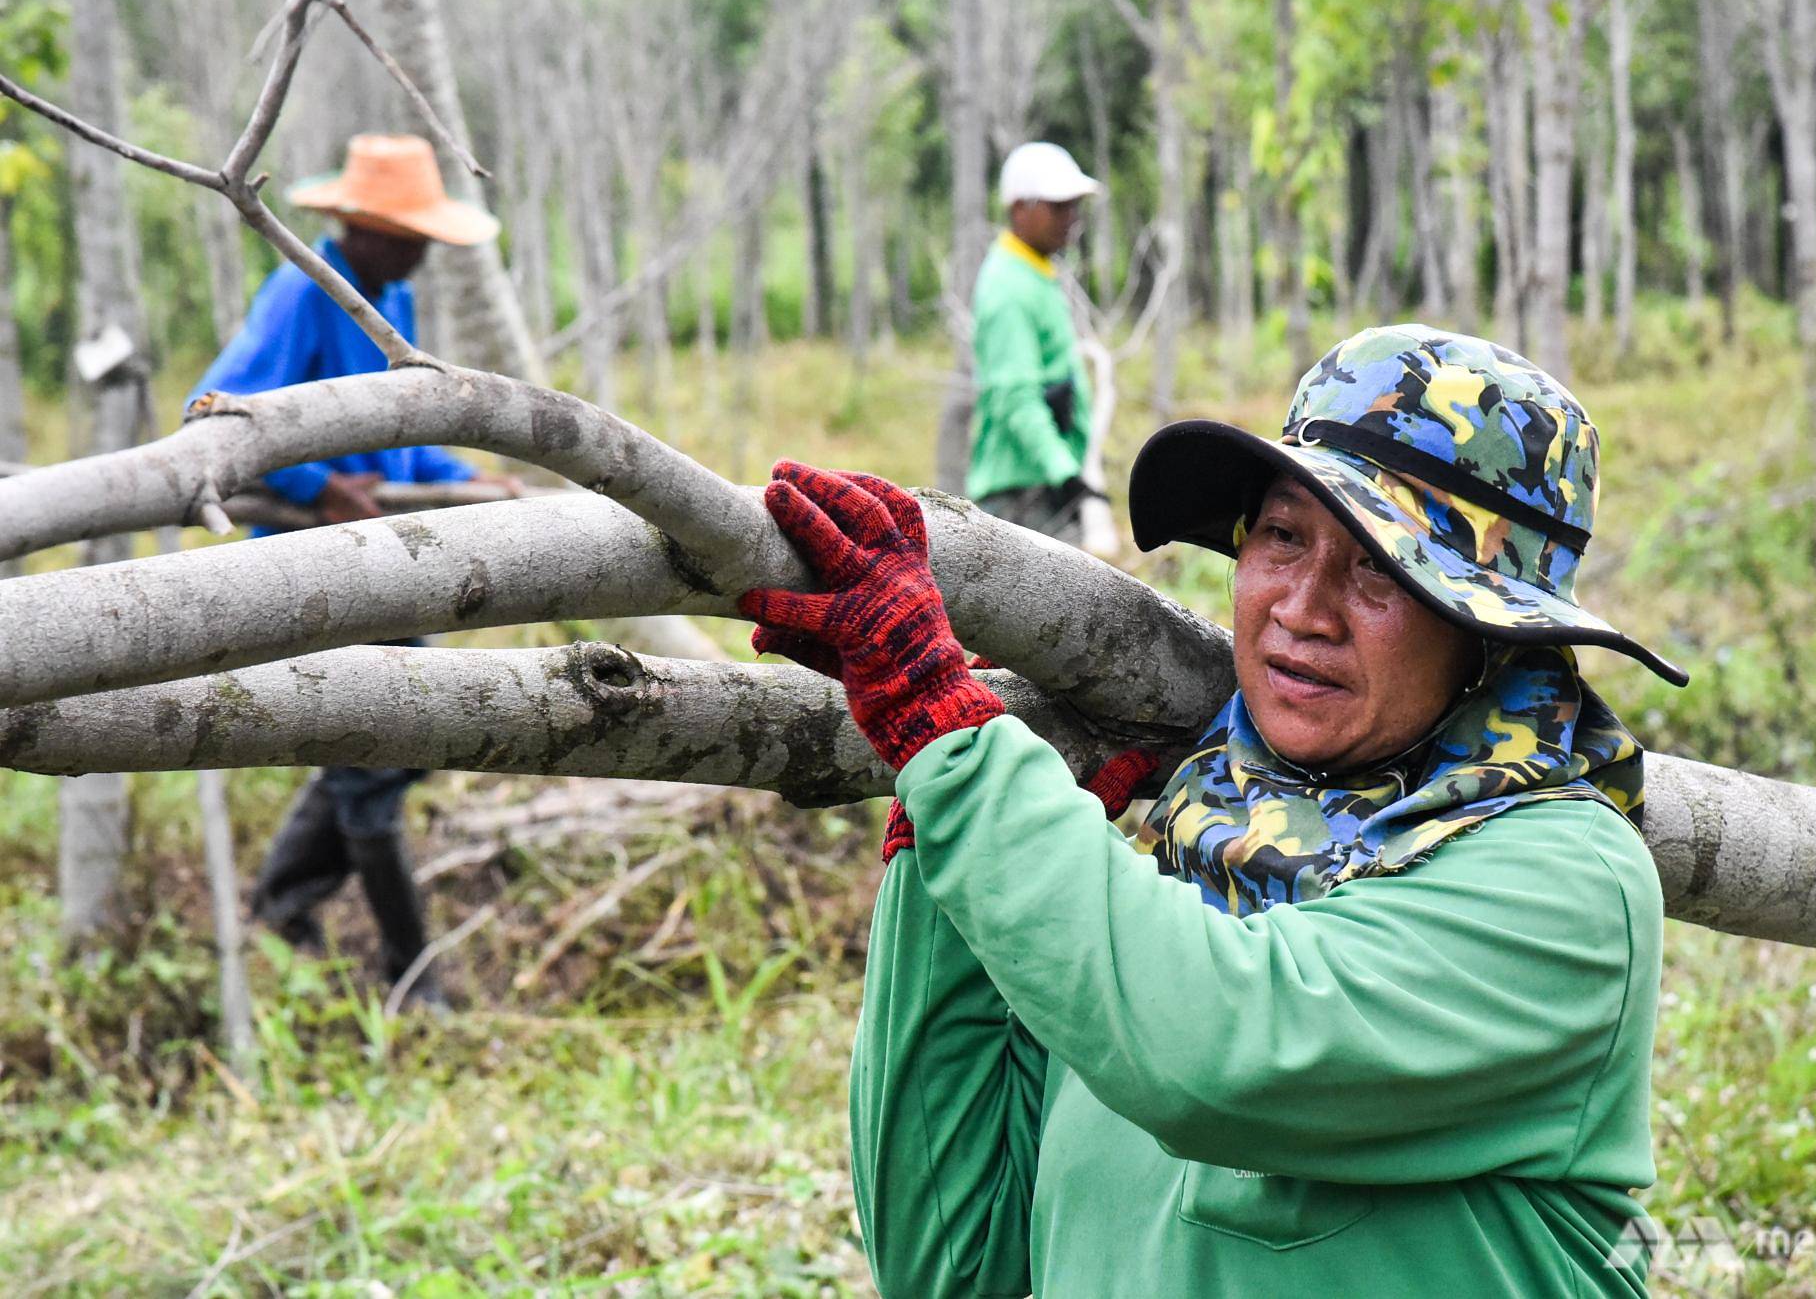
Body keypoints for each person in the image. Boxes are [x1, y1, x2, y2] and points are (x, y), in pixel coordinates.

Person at [741, 325, 1688, 1296]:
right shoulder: (1187, 850)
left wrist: (963, 756)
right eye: (1281, 536)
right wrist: (942, 832)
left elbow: (1214, 1050)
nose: (1300, 608)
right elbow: (950, 1262)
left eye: (1379, 568)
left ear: (1488, 630)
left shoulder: (1562, 885)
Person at [189, 133, 515, 1002]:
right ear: (361, 228)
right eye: (407, 232)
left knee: (400, 743)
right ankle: (416, 983)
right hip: (318, 575)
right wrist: (318, 480)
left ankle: (285, 898)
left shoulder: (389, 296)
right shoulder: (303, 292)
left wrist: (466, 479)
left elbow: (403, 447)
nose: (420, 249)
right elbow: (215, 412)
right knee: (376, 759)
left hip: (386, 562)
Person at [966, 141, 1100, 544]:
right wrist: (1064, 472)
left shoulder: (1035, 272)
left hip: (1042, 490)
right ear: (1019, 208)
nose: (1071, 217)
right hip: (1022, 501)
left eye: (1074, 205)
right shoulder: (1008, 286)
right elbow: (1015, 395)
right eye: (1058, 206)